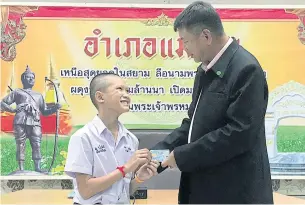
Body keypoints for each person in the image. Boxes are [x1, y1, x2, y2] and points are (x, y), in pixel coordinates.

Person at [151, 1, 273, 204]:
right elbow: (192, 125)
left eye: (185, 41)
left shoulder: (246, 70)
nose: (184, 50)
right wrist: (155, 157)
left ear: (206, 36)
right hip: (204, 188)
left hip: (234, 192)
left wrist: (181, 156)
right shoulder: (205, 69)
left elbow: (238, 134)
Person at [64, 73, 159, 204]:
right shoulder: (83, 137)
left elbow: (125, 191)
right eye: (119, 89)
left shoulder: (131, 140)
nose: (126, 94)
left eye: (127, 90)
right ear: (100, 97)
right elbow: (85, 191)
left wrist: (139, 179)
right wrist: (125, 169)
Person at [0, 65, 61, 172]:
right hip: (20, 121)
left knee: (37, 144)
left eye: (33, 77)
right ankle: (21, 168)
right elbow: (3, 103)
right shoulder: (17, 92)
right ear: (23, 79)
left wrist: (55, 108)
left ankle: (37, 168)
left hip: (35, 122)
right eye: (28, 77)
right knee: (20, 144)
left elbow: (45, 111)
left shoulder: (38, 95)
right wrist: (13, 110)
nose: (31, 79)